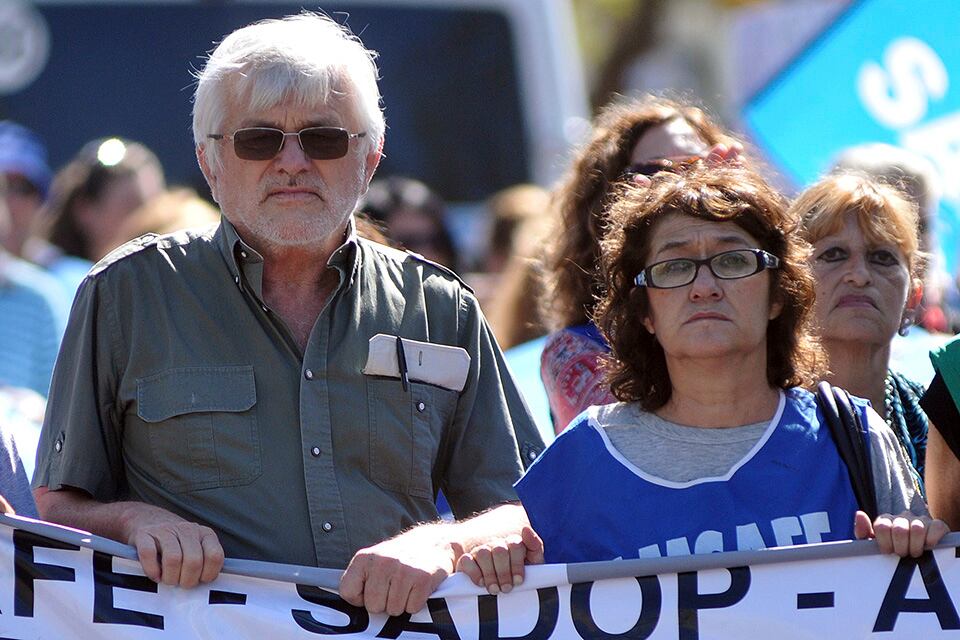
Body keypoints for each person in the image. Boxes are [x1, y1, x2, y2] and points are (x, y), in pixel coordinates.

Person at [32, 12, 543, 614]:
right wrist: (136, 521)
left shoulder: (441, 307)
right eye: (259, 139)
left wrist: (443, 541)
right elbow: (59, 507)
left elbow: (527, 509)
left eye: (324, 139)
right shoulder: (125, 295)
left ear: (370, 157)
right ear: (209, 162)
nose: (293, 162)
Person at [458, 165, 944, 585]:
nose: (704, 287)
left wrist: (915, 541)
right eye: (674, 267)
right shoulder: (581, 459)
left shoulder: (854, 433)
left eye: (733, 261)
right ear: (644, 311)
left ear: (778, 295)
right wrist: (498, 564)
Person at [541, 95, 739, 434]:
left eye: (699, 168)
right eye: (656, 173)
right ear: (605, 203)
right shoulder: (574, 351)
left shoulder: (755, 305)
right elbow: (633, 442)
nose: (682, 187)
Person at [792, 173, 928, 489]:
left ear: (913, 298)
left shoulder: (942, 420)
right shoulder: (753, 419)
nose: (859, 275)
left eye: (882, 258)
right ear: (789, 285)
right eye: (833, 254)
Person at [28, 137, 165, 295]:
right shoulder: (51, 286)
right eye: (131, 206)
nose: (149, 218)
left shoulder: (166, 282)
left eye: (154, 206)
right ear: (85, 211)